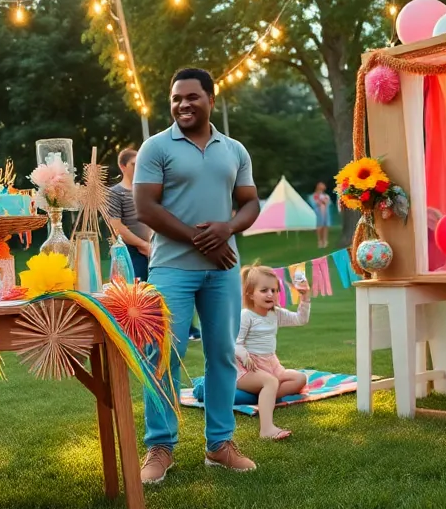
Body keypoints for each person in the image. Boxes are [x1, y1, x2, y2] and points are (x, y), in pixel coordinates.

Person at [134, 67, 261, 484]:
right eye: (176, 99)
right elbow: (145, 208)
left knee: (222, 354)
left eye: (192, 97)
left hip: (223, 269)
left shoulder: (234, 150)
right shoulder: (156, 147)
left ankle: (219, 444)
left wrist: (228, 228)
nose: (183, 104)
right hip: (170, 268)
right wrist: (201, 238)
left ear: (210, 99)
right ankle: (160, 446)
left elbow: (250, 203)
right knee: (162, 355)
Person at [234, 265, 310, 441]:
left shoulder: (275, 314)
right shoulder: (246, 316)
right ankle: (266, 429)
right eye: (264, 290)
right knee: (271, 382)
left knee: (300, 378)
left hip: (271, 364)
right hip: (247, 368)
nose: (270, 294)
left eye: (274, 290)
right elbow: (235, 344)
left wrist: (305, 297)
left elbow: (301, 319)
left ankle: (265, 396)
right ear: (250, 294)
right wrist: (244, 356)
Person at [107, 147, 152, 281]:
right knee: (136, 290)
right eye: (134, 164)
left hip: (155, 251)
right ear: (122, 167)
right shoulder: (115, 192)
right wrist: (143, 245)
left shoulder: (147, 189)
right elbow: (116, 226)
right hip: (132, 253)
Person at [310, 182, 331, 249]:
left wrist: (324, 201)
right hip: (318, 213)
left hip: (325, 213)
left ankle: (325, 241)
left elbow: (328, 203)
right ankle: (320, 241)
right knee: (319, 227)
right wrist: (320, 201)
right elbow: (314, 203)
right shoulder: (313, 196)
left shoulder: (326, 196)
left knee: (325, 227)